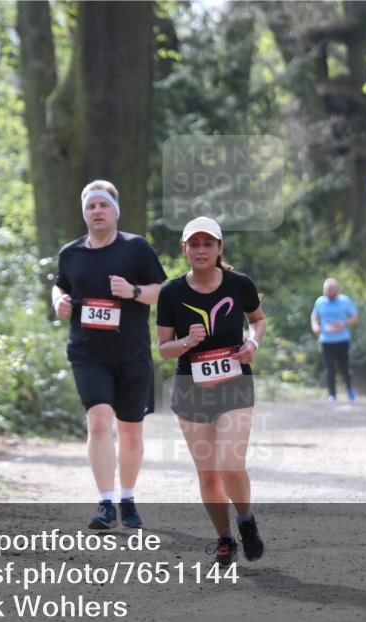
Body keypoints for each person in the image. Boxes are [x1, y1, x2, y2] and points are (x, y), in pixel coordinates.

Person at [52, 180, 168, 530]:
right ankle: (105, 503)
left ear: (115, 211)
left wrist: (134, 292)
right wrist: (58, 301)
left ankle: (127, 498)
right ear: (84, 213)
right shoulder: (70, 253)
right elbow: (61, 284)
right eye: (91, 206)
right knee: (99, 421)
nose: (97, 211)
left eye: (103, 205)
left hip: (131, 352)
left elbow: (163, 291)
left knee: (130, 431)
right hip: (88, 352)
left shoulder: (136, 248)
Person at [156, 217, 266, 567]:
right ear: (184, 249)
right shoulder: (171, 292)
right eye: (194, 244)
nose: (201, 250)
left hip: (234, 383)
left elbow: (258, 320)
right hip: (191, 389)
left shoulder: (239, 284)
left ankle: (246, 520)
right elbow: (163, 349)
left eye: (208, 243)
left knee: (231, 465)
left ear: (219, 248)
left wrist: (252, 343)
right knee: (207, 473)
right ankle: (224, 539)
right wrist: (186, 342)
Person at [310, 278, 359, 402]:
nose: (329, 291)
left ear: (337, 289)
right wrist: (315, 326)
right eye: (326, 289)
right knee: (329, 368)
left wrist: (343, 324)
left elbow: (354, 317)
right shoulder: (320, 302)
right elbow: (314, 316)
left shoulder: (345, 301)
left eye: (331, 289)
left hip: (342, 340)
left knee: (344, 368)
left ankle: (349, 388)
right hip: (326, 341)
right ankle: (332, 394)